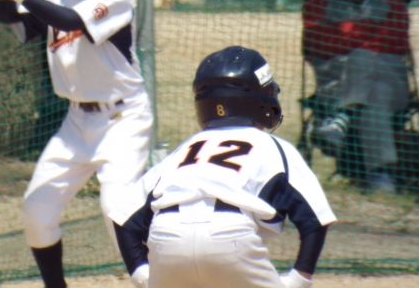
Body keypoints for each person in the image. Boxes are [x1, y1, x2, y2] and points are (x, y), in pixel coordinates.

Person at [0, 0, 153, 288]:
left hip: (124, 120)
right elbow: (12, 19)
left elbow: (70, 21)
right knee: (36, 210)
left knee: (117, 212)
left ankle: (154, 280)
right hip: (77, 124)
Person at [110, 46, 336, 288]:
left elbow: (123, 220)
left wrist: (144, 276)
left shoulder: (184, 149)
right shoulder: (275, 147)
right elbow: (316, 220)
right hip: (231, 236)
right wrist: (299, 279)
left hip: (166, 236)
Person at [302, 0, 409, 193]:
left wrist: (348, 35)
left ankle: (341, 118)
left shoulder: (392, 4)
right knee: (376, 91)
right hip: (335, 88)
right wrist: (370, 32)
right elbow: (320, 44)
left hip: (396, 86)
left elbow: (395, 42)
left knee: (363, 57)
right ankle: (380, 175)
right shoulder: (316, 6)